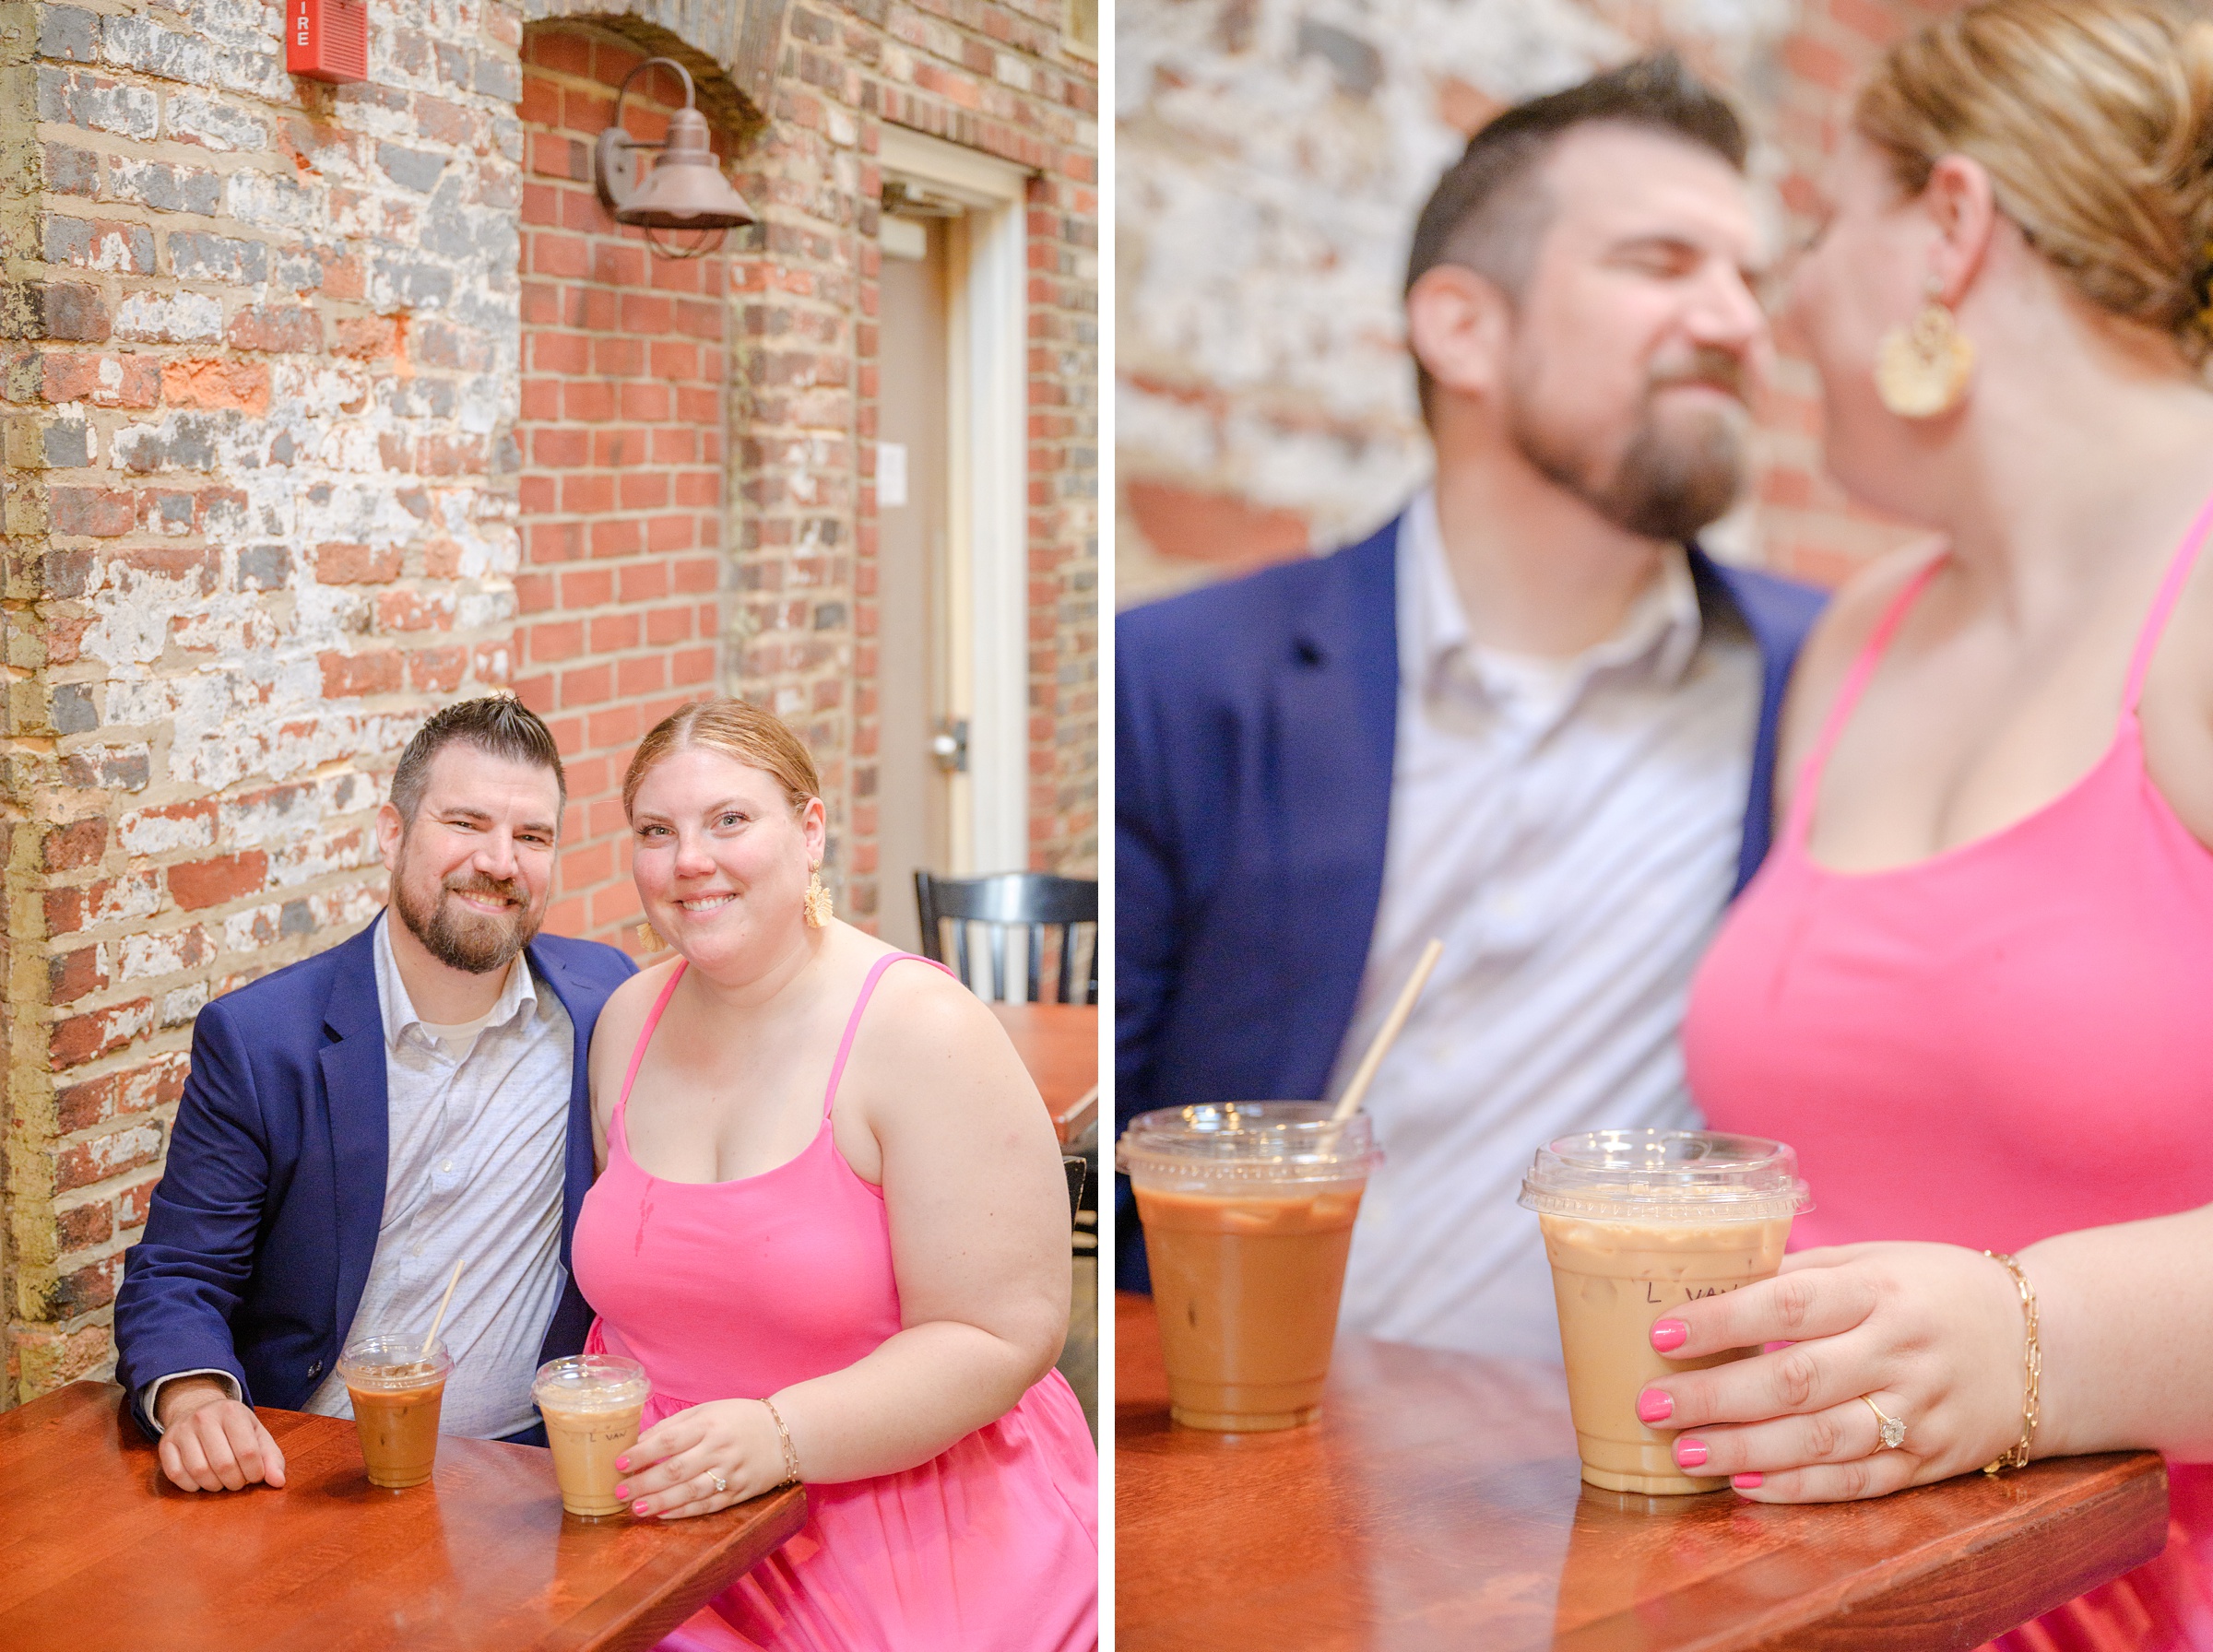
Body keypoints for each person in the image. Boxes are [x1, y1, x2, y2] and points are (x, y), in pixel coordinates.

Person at [1645, 2, 2213, 1645]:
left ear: (1951, 230)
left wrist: (2035, 1342)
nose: (1776, 317)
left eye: (1823, 229)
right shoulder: (1864, 634)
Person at [1115, 55, 1824, 1356]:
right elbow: (1113, 1189)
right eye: (1663, 264)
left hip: (1674, 1458)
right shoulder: (1174, 682)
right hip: (1274, 1466)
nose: (1736, 321)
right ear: (1463, 329)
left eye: (1750, 280)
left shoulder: (1826, 684)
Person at [570, 698, 1096, 1652]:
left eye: (730, 819)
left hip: (901, 1525)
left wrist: (778, 1436)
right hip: (662, 1535)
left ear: (809, 832)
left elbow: (1003, 1329)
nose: (692, 859)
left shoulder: (919, 1029)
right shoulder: (626, 1020)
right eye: (659, 830)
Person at [113, 696, 636, 1493]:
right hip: (315, 1468)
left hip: (535, 1475)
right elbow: (179, 1272)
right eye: (465, 823)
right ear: (393, 834)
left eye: (532, 836)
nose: (499, 861)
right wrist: (195, 1398)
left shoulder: (605, 1005)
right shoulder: (263, 1041)